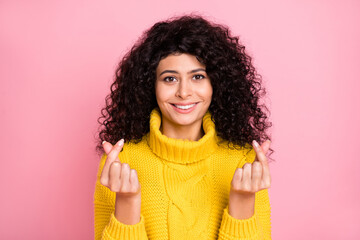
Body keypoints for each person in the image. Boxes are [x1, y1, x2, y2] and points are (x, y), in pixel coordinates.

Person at [94, 14, 273, 240]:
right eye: (170, 79)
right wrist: (127, 203)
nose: (184, 92)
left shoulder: (244, 162)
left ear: (216, 83)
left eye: (197, 76)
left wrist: (242, 203)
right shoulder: (120, 161)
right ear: (151, 86)